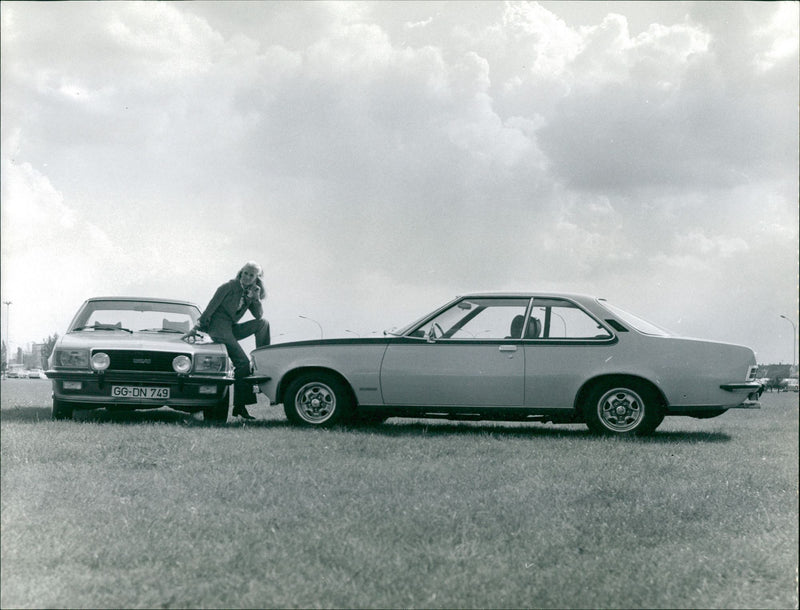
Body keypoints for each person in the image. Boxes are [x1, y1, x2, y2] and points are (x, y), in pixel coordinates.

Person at [185, 261, 270, 419]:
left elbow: (258, 316)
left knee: (263, 323)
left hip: (231, 328)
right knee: (243, 362)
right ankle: (240, 406)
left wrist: (256, 299)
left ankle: (265, 357)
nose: (247, 277)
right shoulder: (227, 287)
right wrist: (196, 328)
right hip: (218, 329)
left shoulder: (250, 292)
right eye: (245, 273)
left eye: (251, 275)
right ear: (240, 272)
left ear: (256, 278)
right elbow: (210, 308)